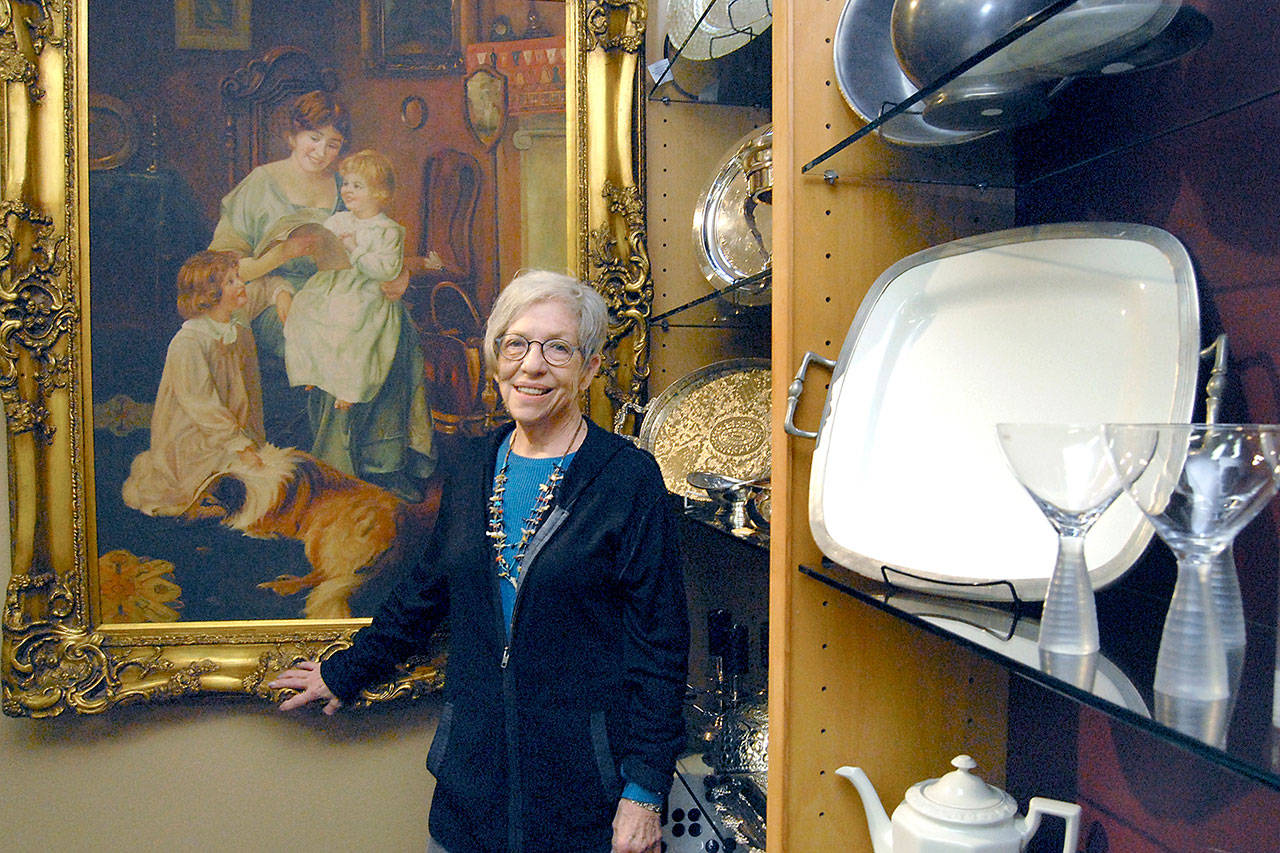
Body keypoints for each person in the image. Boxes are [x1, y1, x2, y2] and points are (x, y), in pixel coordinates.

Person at [271, 270, 690, 853]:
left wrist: (645, 791)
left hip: (583, 799)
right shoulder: (471, 465)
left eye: (558, 348)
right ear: (495, 360)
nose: (532, 365)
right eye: (515, 344)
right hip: (471, 797)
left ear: (591, 367)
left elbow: (659, 643)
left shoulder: (627, 478)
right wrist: (346, 671)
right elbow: (425, 589)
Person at [281, 148, 436, 498]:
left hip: (368, 298)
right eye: (346, 184)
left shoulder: (388, 230)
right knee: (306, 316)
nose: (348, 191)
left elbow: (384, 270)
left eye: (358, 186)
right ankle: (311, 371)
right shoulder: (337, 221)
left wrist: (355, 252)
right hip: (336, 292)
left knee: (358, 331)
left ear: (380, 194)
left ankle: (353, 396)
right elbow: (320, 252)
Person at [122, 250, 265, 516]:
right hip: (194, 436)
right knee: (236, 489)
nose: (241, 284)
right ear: (210, 294)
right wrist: (240, 446)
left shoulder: (241, 334)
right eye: (231, 281)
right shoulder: (189, 342)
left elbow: (250, 396)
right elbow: (201, 405)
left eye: (238, 278)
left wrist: (253, 441)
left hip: (232, 432)